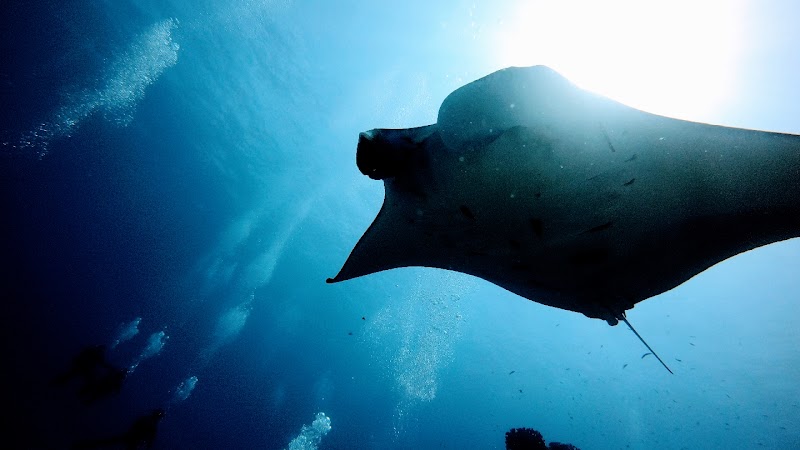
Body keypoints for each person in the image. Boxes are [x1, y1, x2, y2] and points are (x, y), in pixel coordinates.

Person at [73, 408, 166, 449]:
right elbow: (150, 441)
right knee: (108, 442)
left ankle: (84, 445)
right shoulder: (153, 426)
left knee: (107, 442)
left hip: (128, 436)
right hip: (134, 441)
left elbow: (134, 425)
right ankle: (84, 445)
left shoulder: (145, 418)